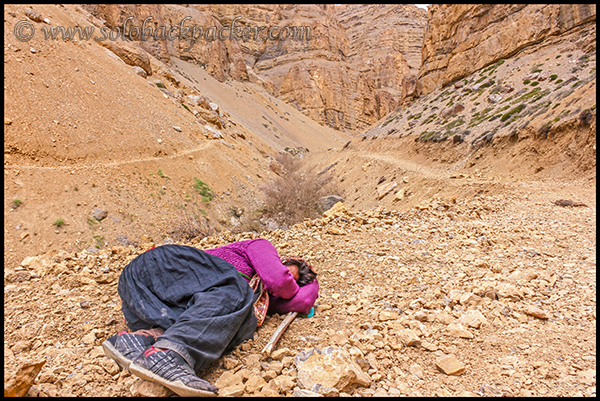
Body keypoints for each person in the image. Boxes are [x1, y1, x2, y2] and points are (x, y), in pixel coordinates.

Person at [102, 238, 318, 397]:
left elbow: (301, 302)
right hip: (164, 264)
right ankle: (169, 355)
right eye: (289, 271)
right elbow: (278, 280)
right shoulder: (258, 246)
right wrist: (304, 276)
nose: (288, 281)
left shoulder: (256, 297)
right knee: (238, 294)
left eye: (295, 282)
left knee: (241, 322)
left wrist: (306, 288)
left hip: (142, 295)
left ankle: (140, 340)